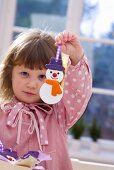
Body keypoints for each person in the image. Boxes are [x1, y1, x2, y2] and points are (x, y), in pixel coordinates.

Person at [0, 29, 92, 170]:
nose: (31, 84)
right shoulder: (2, 113)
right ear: (10, 73)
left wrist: (76, 57)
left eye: (42, 76)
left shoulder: (59, 113)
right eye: (24, 73)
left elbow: (78, 93)